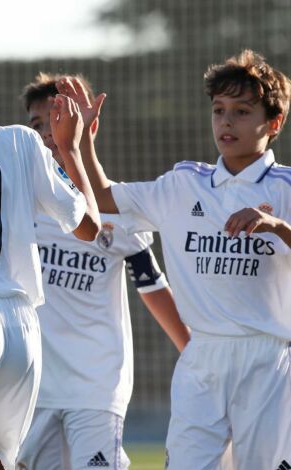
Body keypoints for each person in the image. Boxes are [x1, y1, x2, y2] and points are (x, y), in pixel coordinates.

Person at [58, 49, 291, 469]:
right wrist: (81, 145)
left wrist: (275, 226)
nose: (226, 121)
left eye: (242, 111)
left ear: (273, 123)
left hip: (268, 362)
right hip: (200, 360)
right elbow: (105, 197)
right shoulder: (184, 183)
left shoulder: (286, 189)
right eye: (219, 110)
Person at [16, 73, 190, 470]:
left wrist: (196, 352)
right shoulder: (17, 202)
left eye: (58, 118)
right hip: (33, 389)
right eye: (38, 124)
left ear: (87, 125)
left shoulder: (113, 209)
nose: (48, 132)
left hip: (96, 388)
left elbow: (152, 284)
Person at [0, 44, 101, 470]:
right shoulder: (21, 140)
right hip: (20, 330)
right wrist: (72, 148)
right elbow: (89, 228)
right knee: (0, 460)